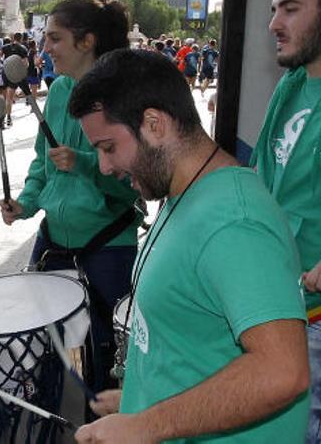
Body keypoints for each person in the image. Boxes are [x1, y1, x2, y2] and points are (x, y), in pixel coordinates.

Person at [70, 48, 309, 444]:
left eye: (108, 147)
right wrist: (140, 398)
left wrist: (146, 424)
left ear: (154, 124)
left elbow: (282, 372)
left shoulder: (235, 222)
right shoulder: (184, 191)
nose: (104, 167)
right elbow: (194, 342)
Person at [0, 0, 140, 396]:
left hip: (106, 247)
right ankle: (62, 422)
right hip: (54, 242)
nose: (44, 48)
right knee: (53, 349)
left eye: (54, 38)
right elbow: (43, 166)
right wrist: (25, 204)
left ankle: (93, 426)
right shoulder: (59, 90)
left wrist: (84, 162)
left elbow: (134, 184)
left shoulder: (123, 96)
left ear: (86, 41)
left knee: (103, 359)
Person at [253, 0, 321, 442]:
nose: (274, 24)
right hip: (281, 304)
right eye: (274, 10)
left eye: (290, 9)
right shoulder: (292, 84)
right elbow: (259, 179)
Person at [0, 32, 29, 126]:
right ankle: (8, 117)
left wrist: (3, 62)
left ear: (13, 38)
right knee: (9, 97)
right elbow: (26, 63)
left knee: (4, 97)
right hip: (14, 74)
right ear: (21, 39)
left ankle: (1, 118)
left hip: (5, 72)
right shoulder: (22, 49)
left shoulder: (5, 47)